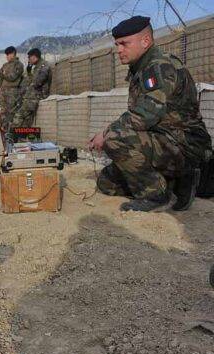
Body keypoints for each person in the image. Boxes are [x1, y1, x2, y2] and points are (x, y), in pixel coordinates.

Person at [88, 16, 212, 212]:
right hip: (164, 140)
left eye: (124, 43)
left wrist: (105, 133)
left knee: (114, 138)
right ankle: (175, 182)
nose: (119, 49)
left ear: (145, 41)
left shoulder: (159, 67)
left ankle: (157, 195)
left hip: (185, 146)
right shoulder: (142, 68)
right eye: (117, 44)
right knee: (106, 182)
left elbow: (144, 116)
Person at [10, 48, 52, 130]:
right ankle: (21, 136)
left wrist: (30, 82)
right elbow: (30, 81)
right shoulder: (37, 67)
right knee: (27, 120)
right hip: (31, 96)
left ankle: (11, 134)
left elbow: (37, 82)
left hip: (37, 96)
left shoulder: (44, 66)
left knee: (19, 115)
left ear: (34, 57)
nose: (28, 59)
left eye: (29, 57)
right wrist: (29, 73)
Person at [0, 46, 24, 130]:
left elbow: (12, 77)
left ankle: (11, 130)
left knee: (11, 111)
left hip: (13, 91)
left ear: (13, 54)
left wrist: (4, 73)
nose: (7, 56)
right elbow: (0, 78)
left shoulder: (19, 65)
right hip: (3, 91)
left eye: (8, 54)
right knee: (3, 111)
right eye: (6, 55)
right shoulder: (5, 65)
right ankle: (4, 128)